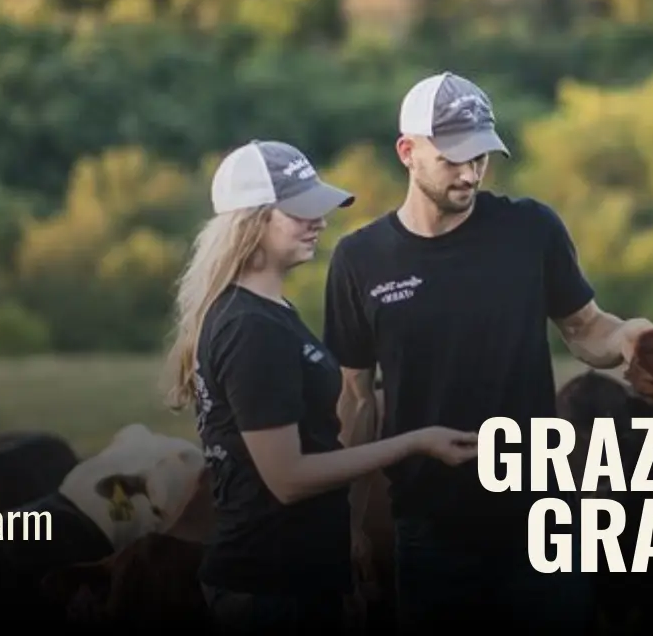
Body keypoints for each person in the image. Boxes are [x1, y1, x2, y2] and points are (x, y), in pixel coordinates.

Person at [322, 72, 653, 632]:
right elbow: (355, 400)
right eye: (452, 158)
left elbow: (585, 328)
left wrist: (627, 337)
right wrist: (349, 523)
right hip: (429, 531)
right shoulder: (360, 260)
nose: (470, 173)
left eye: (480, 156)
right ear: (407, 152)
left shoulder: (530, 230)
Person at [163, 139, 479, 635]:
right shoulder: (250, 328)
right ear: (251, 222)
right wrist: (415, 442)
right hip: (270, 588)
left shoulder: (268, 312)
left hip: (293, 580)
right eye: (300, 212)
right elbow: (288, 478)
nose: (319, 222)